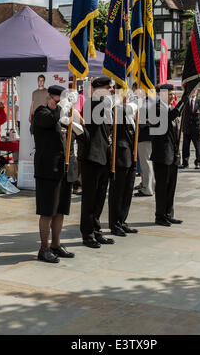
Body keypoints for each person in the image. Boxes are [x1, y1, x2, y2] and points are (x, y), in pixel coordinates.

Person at [33, 85, 77, 263]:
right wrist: (61, 108)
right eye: (59, 101)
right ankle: (43, 248)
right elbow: (50, 121)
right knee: (48, 211)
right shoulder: (41, 113)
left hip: (63, 169)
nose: (62, 105)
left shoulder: (63, 115)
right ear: (50, 98)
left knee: (60, 211)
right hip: (47, 169)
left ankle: (56, 245)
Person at [79, 76, 115, 249]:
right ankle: (87, 234)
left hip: (104, 157)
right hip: (92, 158)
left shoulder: (104, 106)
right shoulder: (90, 105)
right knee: (90, 199)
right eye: (108, 88)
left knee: (100, 197)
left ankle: (97, 230)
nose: (111, 91)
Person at [151, 84, 186, 226]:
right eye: (169, 94)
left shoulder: (171, 108)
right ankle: (160, 216)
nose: (172, 96)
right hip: (162, 155)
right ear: (160, 94)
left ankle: (169, 214)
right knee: (162, 187)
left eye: (173, 94)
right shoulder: (156, 109)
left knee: (171, 187)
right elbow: (167, 119)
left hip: (173, 154)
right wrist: (185, 100)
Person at [108, 89, 138, 237]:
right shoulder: (117, 110)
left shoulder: (130, 113)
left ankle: (122, 220)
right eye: (126, 94)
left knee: (127, 191)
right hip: (120, 157)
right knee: (117, 192)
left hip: (131, 155)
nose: (129, 97)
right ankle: (115, 224)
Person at [135, 94, 155, 196]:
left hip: (145, 135)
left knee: (146, 163)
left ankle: (147, 188)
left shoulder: (145, 103)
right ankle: (151, 186)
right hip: (152, 136)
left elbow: (142, 121)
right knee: (149, 163)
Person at [181, 89, 200, 170]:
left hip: (196, 128)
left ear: (197, 92)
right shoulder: (185, 101)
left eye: (194, 91)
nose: (193, 92)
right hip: (187, 127)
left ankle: (198, 162)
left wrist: (198, 124)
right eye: (192, 91)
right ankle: (185, 163)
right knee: (185, 147)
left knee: (197, 147)